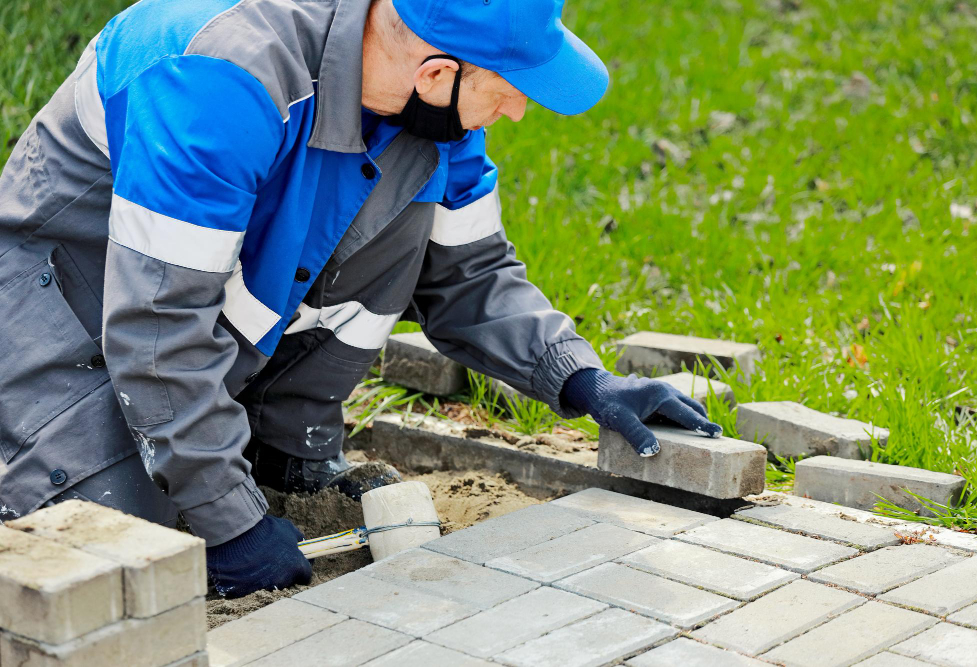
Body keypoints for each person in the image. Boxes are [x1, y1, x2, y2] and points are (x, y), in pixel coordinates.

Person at [0, 0, 722, 597]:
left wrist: (582, 377)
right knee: (119, 557)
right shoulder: (223, 77)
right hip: (62, 300)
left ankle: (283, 454)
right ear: (438, 70)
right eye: (506, 89)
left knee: (399, 207)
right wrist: (230, 522)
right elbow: (156, 329)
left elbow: (472, 274)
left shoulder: (433, 116)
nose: (515, 111)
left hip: (178, 305)